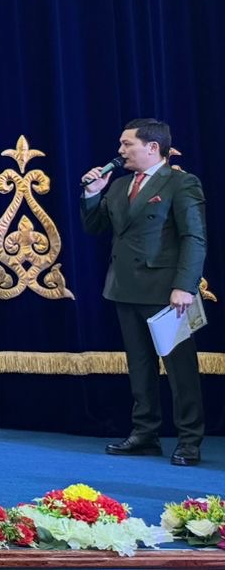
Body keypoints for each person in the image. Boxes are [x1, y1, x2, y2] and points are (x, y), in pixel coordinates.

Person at [82, 119, 206, 465]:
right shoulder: (120, 186)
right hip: (125, 288)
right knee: (139, 366)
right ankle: (145, 433)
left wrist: (184, 286)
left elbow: (194, 237)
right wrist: (93, 193)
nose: (120, 151)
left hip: (166, 292)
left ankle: (189, 439)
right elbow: (94, 227)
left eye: (127, 144)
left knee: (180, 370)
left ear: (153, 147)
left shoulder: (181, 183)